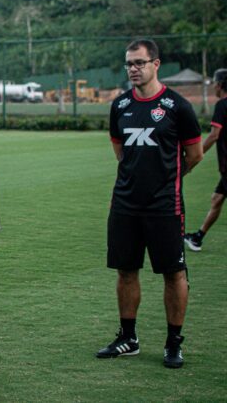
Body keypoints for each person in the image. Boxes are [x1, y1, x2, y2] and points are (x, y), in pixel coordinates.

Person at [97, 38, 202, 369]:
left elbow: (195, 154)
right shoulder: (120, 105)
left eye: (139, 63)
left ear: (156, 64)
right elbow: (121, 151)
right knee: (126, 271)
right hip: (125, 204)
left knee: (173, 273)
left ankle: (173, 343)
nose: (133, 69)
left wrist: (165, 178)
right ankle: (128, 338)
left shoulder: (177, 106)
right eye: (129, 63)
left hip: (165, 206)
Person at [184, 68, 227, 251]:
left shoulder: (222, 105)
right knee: (217, 199)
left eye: (214, 84)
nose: (213, 87)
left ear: (220, 85)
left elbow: (214, 135)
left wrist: (195, 154)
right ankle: (198, 238)